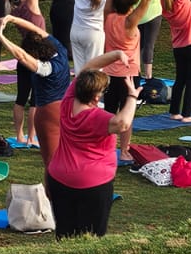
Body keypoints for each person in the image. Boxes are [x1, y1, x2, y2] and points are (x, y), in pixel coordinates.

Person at [0, 15, 112, 170]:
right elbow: (35, 29)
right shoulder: (60, 50)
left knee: (52, 162)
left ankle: (57, 190)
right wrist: (12, 19)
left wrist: (1, 37)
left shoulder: (47, 69)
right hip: (67, 109)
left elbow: (21, 56)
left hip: (48, 114)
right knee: (67, 154)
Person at [45, 61, 134, 239]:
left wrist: (116, 54)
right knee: (91, 238)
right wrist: (132, 96)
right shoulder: (99, 117)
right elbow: (123, 123)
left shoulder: (67, 102)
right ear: (95, 98)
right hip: (92, 184)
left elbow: (87, 67)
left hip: (59, 178)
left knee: (65, 235)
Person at [102, 0, 156, 163]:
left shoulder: (108, 15)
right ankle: (123, 151)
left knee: (108, 114)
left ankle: (105, 150)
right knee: (126, 115)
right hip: (128, 75)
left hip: (108, 73)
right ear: (131, 7)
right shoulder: (129, 22)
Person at [0, 0, 45, 148]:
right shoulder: (31, 6)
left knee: (20, 98)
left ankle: (19, 136)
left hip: (23, 54)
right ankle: (31, 138)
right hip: (38, 57)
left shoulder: (13, 10)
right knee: (35, 101)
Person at [71, 0, 127, 68]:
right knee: (95, 69)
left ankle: (78, 85)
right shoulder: (106, 1)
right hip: (93, 35)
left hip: (75, 32)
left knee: (79, 69)